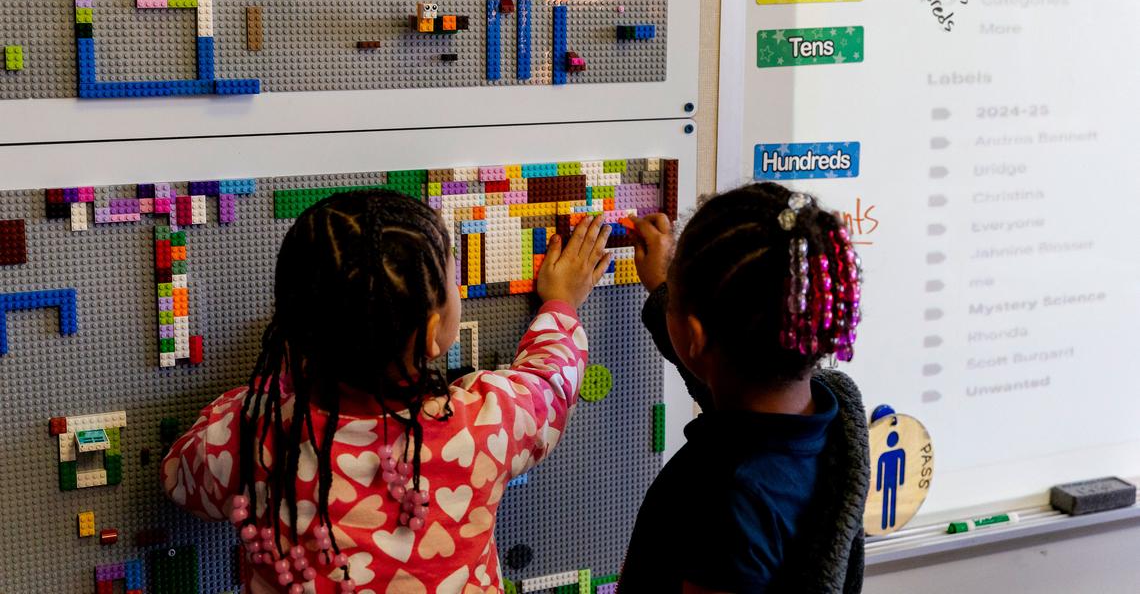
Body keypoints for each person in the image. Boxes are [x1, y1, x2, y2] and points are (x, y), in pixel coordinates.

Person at [161, 190, 612, 593]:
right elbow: (551, 383)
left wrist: (269, 389)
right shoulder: (484, 423)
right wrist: (561, 304)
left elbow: (178, 478)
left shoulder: (251, 433)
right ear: (434, 331)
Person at [620, 183, 871, 594]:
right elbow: (720, 388)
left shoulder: (730, 500)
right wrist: (668, 291)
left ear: (696, 336)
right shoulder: (824, 421)